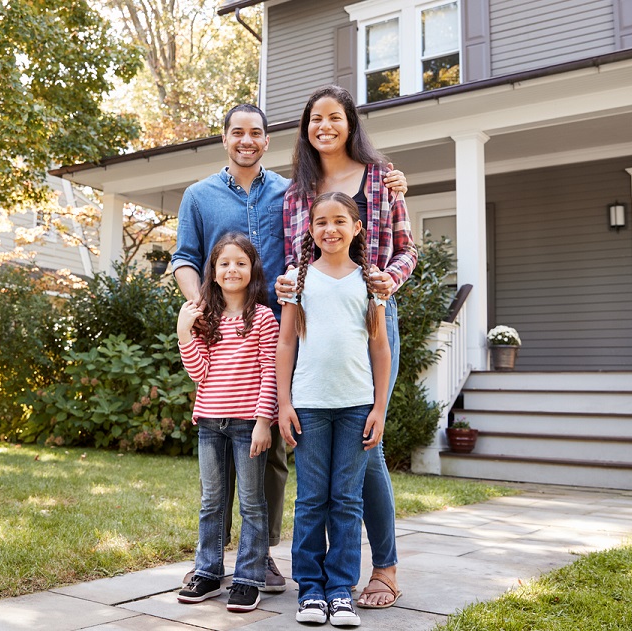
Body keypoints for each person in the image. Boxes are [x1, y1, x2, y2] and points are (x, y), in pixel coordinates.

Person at [171, 103, 407, 593]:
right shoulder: (255, 192)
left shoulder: (344, 183)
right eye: (237, 131)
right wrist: (204, 311)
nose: (246, 140)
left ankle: (371, 567)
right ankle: (238, 561)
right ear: (223, 137)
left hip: (338, 318)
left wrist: (387, 280)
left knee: (350, 443)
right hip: (265, 330)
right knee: (267, 440)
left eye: (256, 132)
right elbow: (190, 259)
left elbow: (398, 245)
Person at [276, 85, 418, 610]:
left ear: (350, 123)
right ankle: (323, 581)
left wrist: (387, 282)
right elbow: (294, 260)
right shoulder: (297, 192)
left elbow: (407, 249)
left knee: (368, 442)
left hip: (372, 311)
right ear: (306, 128)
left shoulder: (382, 177)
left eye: (335, 117)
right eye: (316, 119)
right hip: (315, 319)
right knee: (321, 485)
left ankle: (384, 568)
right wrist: (286, 289)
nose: (325, 127)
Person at [277, 192, 391, 626]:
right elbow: (286, 343)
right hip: (309, 406)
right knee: (310, 499)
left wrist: (379, 407)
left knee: (345, 499)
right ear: (310, 229)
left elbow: (379, 348)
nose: (330, 229)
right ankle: (310, 589)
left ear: (357, 228)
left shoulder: (370, 282)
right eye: (321, 221)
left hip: (356, 406)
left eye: (340, 221)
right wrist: (284, 403)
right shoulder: (297, 280)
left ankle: (341, 589)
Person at [176, 233, 278, 613]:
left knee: (252, 502)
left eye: (240, 262)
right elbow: (199, 372)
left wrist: (263, 421)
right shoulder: (205, 318)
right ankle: (208, 572)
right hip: (209, 423)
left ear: (252, 270)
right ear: (213, 273)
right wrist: (184, 331)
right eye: (224, 263)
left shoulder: (263, 317)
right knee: (211, 502)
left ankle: (249, 577)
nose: (232, 269)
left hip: (247, 423)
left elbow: (270, 372)